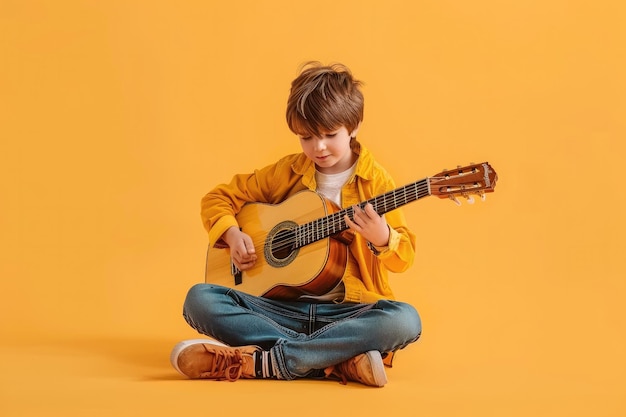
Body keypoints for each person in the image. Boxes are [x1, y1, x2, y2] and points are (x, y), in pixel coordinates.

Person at [170, 62, 422, 387]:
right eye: (306, 137)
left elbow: (405, 258)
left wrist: (383, 237)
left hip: (344, 314)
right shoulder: (287, 172)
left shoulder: (376, 183)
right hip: (277, 309)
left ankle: (267, 361)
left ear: (354, 126)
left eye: (330, 135)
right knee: (199, 299)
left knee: (404, 320)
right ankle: (335, 360)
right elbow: (219, 198)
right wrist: (232, 234)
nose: (318, 147)